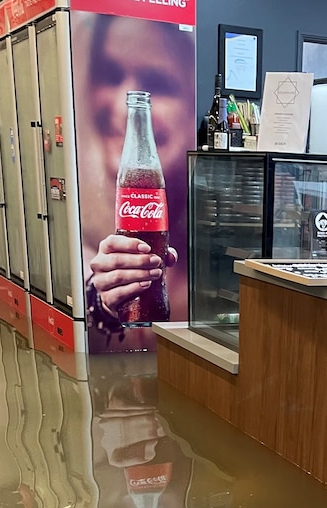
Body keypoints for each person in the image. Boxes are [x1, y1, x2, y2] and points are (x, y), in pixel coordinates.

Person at [72, 12, 196, 351]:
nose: (124, 105)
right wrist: (105, 303)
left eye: (157, 82)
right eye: (110, 74)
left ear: (192, 111)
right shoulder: (82, 244)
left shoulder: (208, 241)